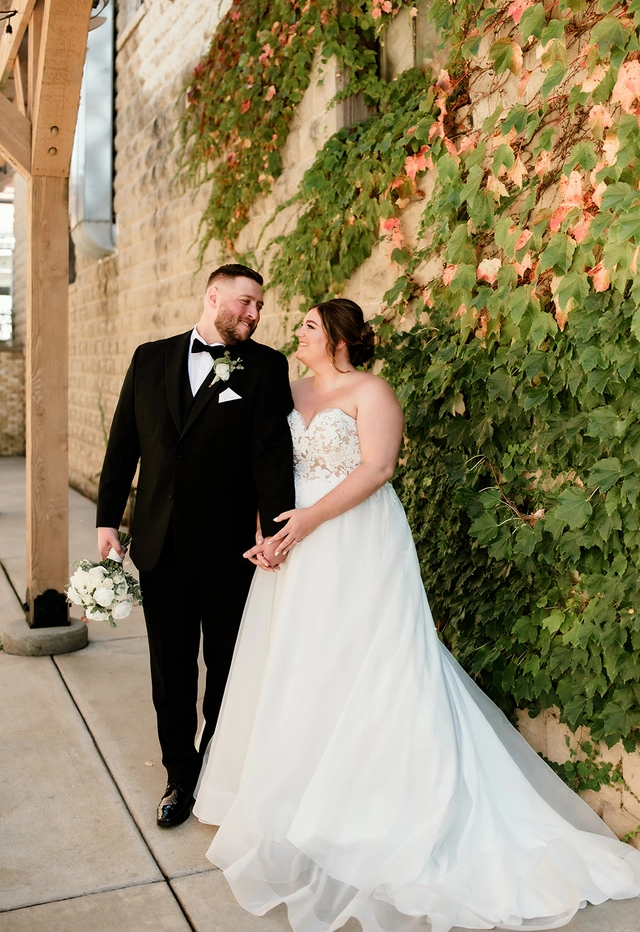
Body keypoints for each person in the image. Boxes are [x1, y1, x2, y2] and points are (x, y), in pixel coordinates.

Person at [193, 298, 640, 932]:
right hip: (294, 545)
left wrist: (309, 522)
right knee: (300, 664)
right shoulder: (287, 389)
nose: (299, 330)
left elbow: (378, 468)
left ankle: (377, 799)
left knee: (369, 661)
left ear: (340, 339)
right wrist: (268, 533)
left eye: (311, 326)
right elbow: (265, 465)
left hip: (353, 536)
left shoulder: (372, 392)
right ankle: (299, 791)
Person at [96, 263, 295, 828]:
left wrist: (274, 530)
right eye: (245, 302)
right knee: (171, 672)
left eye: (259, 306)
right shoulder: (149, 358)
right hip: (160, 547)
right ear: (214, 296)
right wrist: (108, 519)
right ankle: (179, 778)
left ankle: (218, 769)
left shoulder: (265, 367)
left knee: (228, 668)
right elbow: (123, 445)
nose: (255, 314)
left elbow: (270, 454)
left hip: (232, 550)